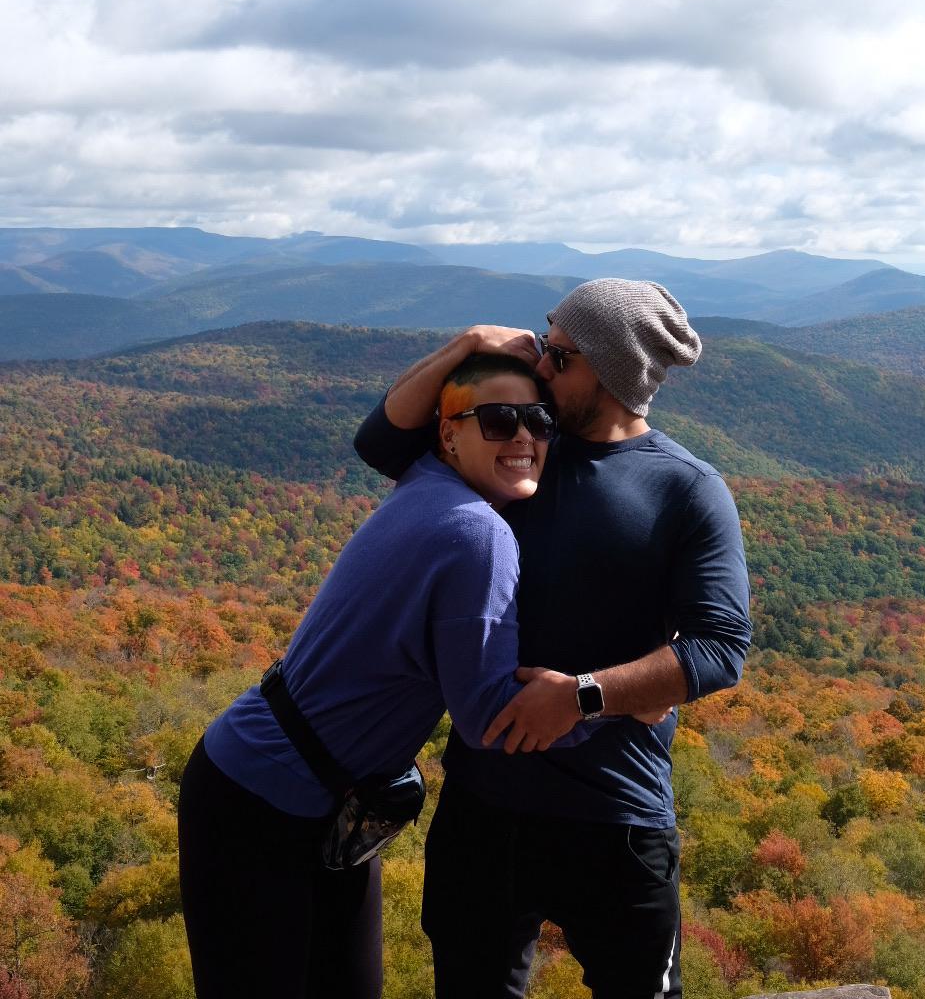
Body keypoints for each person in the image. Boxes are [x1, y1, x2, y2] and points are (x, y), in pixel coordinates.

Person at [354, 279, 752, 999]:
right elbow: (380, 442)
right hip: (485, 807)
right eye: (543, 344)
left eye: (559, 355)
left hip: (616, 812)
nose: (539, 365)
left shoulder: (688, 490)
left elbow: (719, 648)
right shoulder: (519, 447)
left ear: (611, 370)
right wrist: (469, 345)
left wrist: (582, 698)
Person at [178, 350, 590, 999]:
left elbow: (382, 431)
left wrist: (468, 343)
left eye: (539, 420)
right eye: (499, 419)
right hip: (257, 804)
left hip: (320, 803)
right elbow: (489, 719)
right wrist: (610, 701)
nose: (523, 437)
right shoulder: (478, 534)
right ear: (448, 434)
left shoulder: (428, 479)